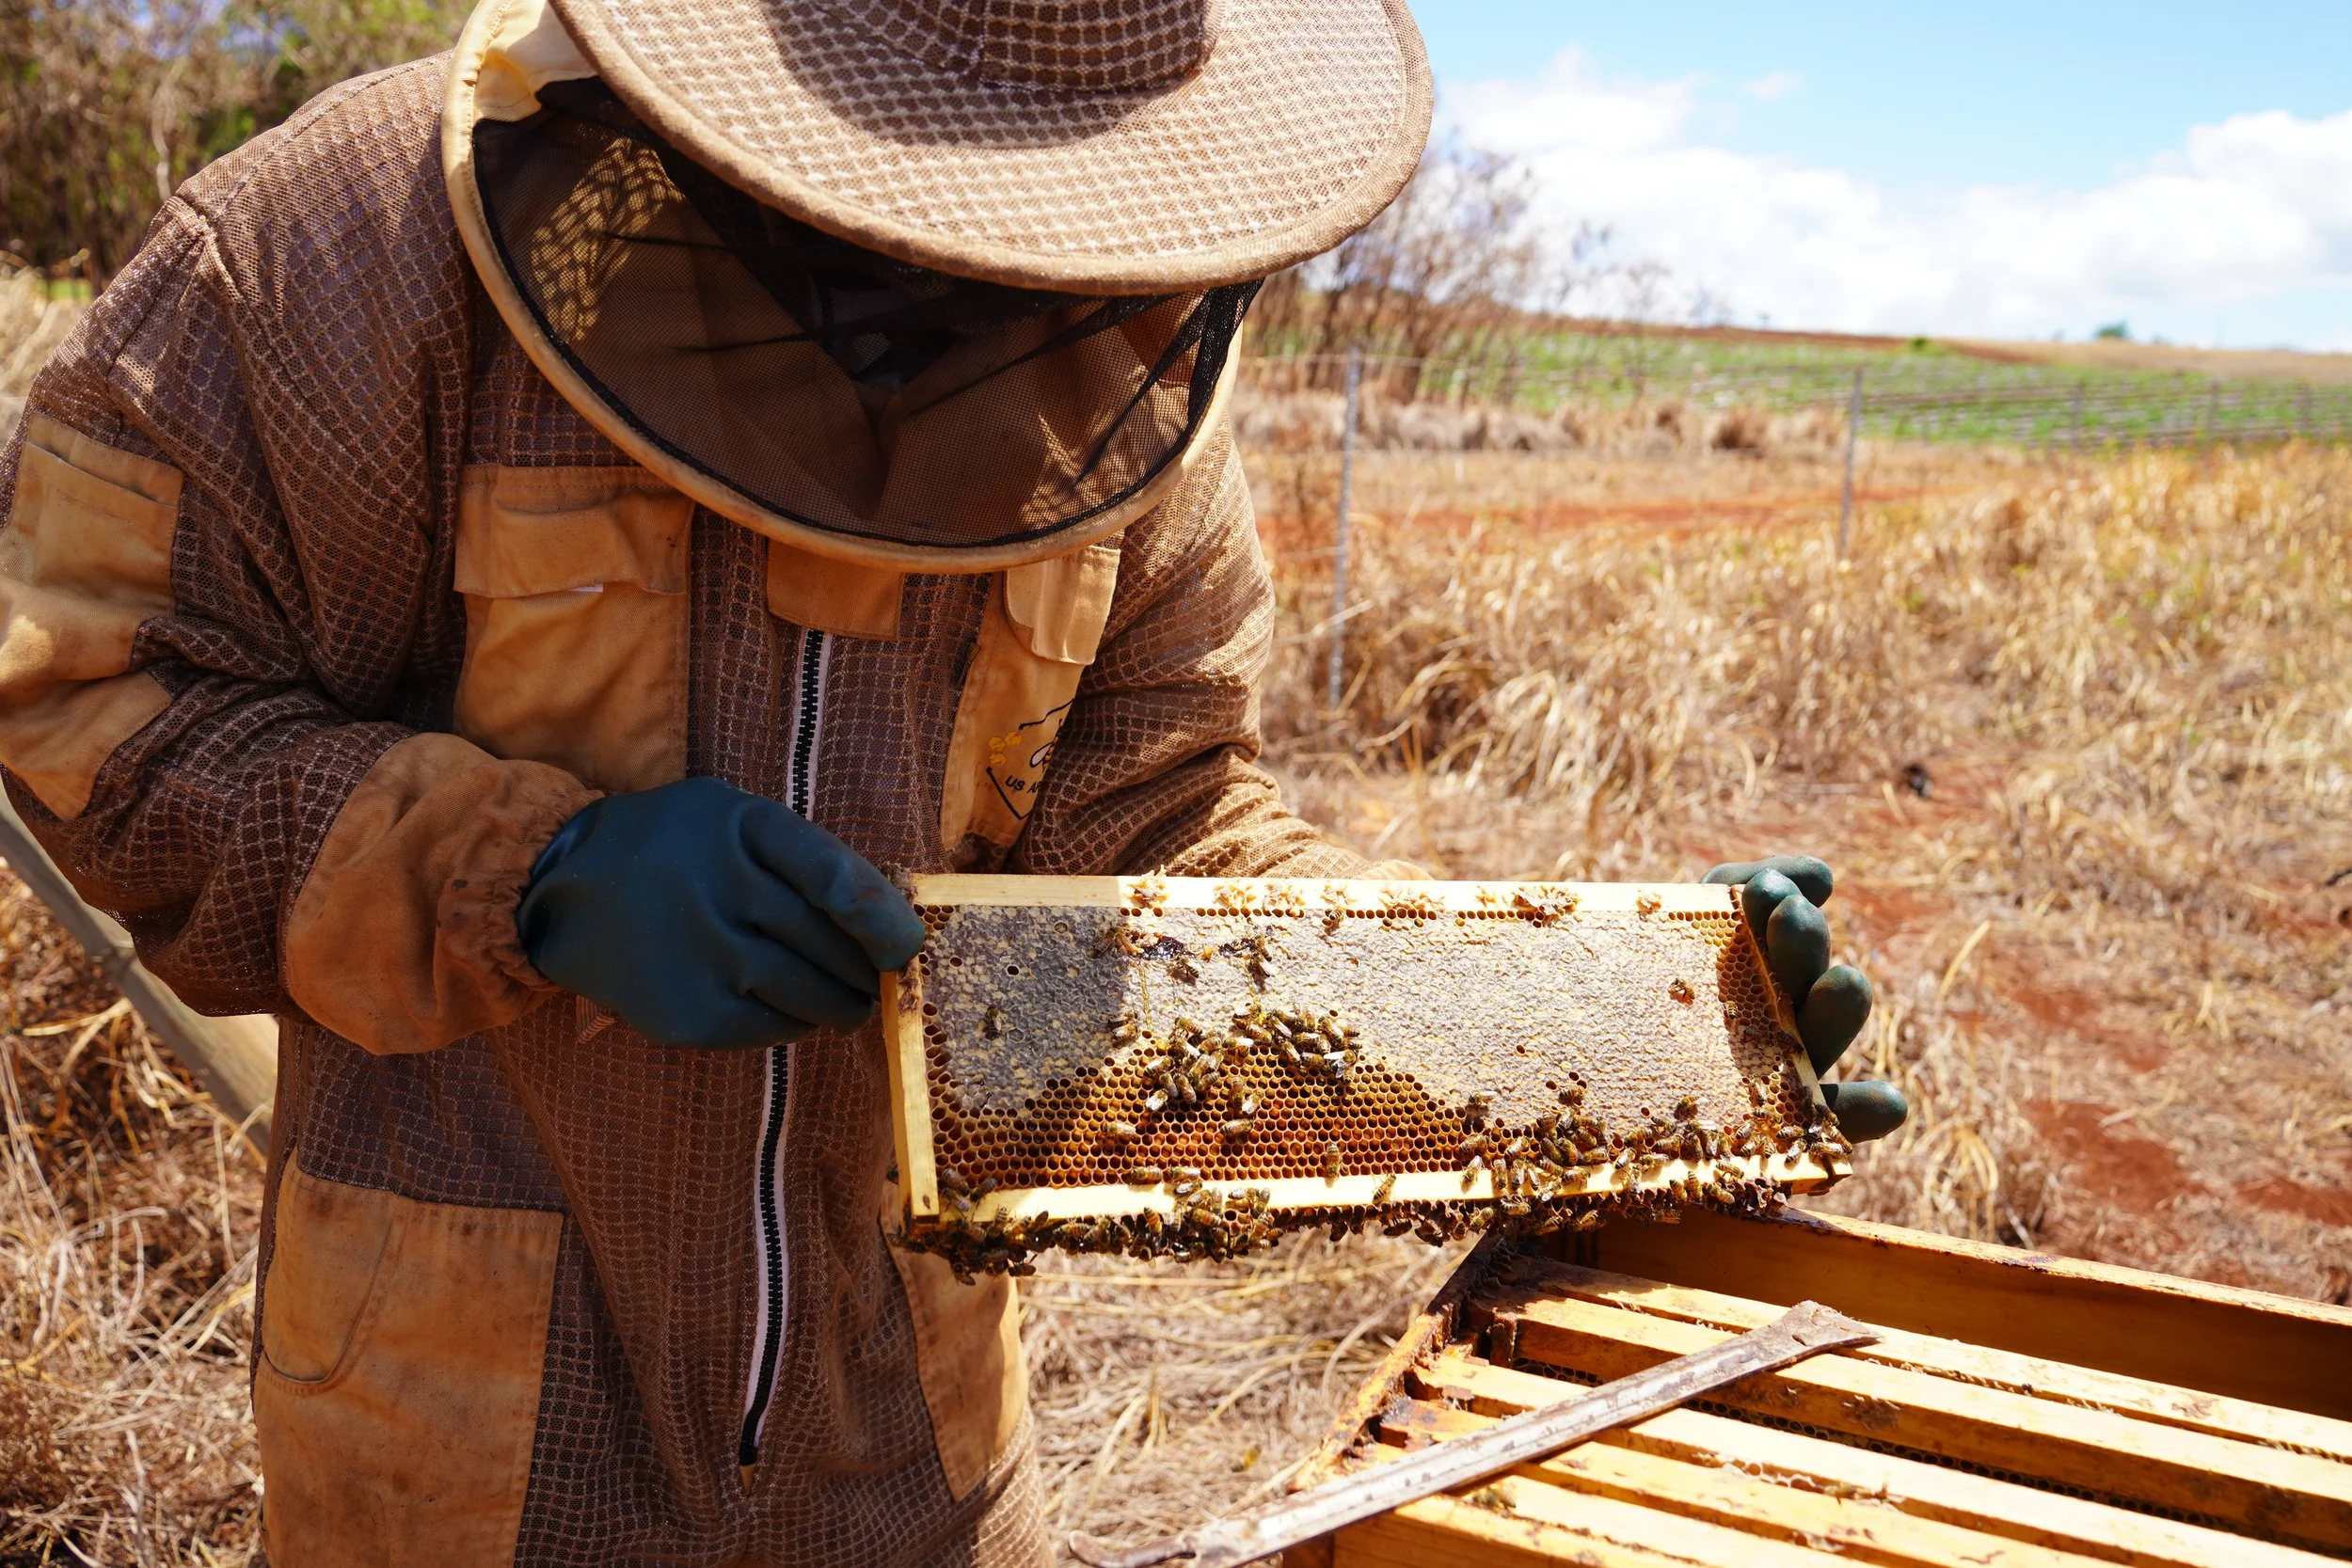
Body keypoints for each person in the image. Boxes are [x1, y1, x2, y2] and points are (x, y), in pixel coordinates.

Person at [0, 0, 1901, 1560]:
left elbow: (1145, 832)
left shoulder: (1124, 372)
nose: (999, 273)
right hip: (459, 1457)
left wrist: (1581, 1013)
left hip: (908, 1453)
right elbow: (84, 706)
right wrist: (529, 869)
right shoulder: (332, 258)